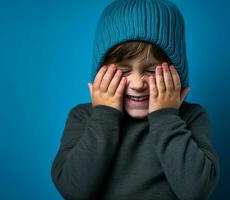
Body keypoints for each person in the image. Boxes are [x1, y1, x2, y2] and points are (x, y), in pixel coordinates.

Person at [51, 0, 220, 199]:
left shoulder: (191, 116)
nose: (138, 83)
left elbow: (196, 191)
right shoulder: (84, 116)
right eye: (123, 71)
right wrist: (104, 116)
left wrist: (166, 116)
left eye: (151, 71)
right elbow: (73, 191)